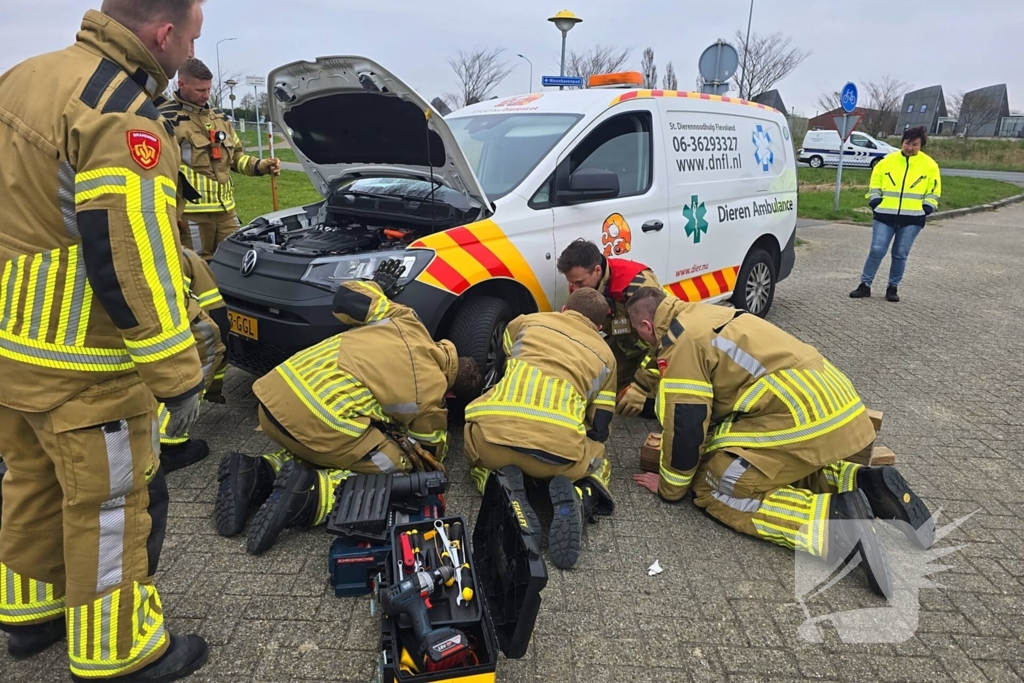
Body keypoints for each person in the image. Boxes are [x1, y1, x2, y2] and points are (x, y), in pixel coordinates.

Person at [0, 1, 211, 681]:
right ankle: (118, 648)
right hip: (84, 362)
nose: (188, 54)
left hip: (12, 344)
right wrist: (178, 374)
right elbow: (132, 257)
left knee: (30, 480)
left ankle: (31, 614)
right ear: (164, 33)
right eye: (192, 39)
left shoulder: (22, 78)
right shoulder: (121, 113)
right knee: (110, 502)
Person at [626, 287, 935, 596]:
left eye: (642, 337)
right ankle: (865, 483)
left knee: (719, 480)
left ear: (645, 327)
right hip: (835, 404)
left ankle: (834, 521)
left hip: (800, 414)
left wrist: (671, 487)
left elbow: (687, 425)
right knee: (767, 462)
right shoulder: (704, 314)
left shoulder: (681, 345)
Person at [215, 261, 481, 554]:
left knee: (341, 441)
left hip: (272, 400)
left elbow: (349, 296)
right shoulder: (431, 390)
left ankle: (255, 472)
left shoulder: (404, 318)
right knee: (398, 469)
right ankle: (310, 495)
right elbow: (430, 455)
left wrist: (379, 284)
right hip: (319, 419)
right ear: (452, 391)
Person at [463, 287, 617, 570]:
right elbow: (601, 427)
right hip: (557, 462)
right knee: (597, 454)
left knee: (474, 431)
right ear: (598, 327)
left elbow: (500, 366)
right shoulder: (607, 356)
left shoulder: (527, 321)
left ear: (564, 309)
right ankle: (585, 496)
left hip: (495, 444)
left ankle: (499, 487)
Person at [158, 57, 280, 259]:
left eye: (208, 89)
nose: (206, 95)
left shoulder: (221, 119)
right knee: (195, 270)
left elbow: (236, 158)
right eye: (200, 90)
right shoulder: (165, 118)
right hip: (190, 215)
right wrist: (168, 212)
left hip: (226, 213)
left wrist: (261, 166)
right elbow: (158, 171)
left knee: (233, 264)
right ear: (181, 84)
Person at [556, 239, 663, 418]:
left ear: (597, 270)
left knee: (649, 401)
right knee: (608, 393)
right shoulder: (580, 284)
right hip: (625, 345)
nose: (574, 289)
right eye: (571, 283)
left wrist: (641, 386)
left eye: (579, 283)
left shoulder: (637, 285)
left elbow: (663, 337)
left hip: (655, 348)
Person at [156, 247, 228, 473]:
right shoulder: (186, 258)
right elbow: (216, 319)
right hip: (166, 320)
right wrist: (214, 386)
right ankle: (169, 442)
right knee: (207, 343)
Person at [850, 126, 941, 303]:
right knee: (877, 250)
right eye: (907, 143)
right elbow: (875, 182)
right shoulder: (886, 162)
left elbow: (934, 189)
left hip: (913, 218)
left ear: (921, 145)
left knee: (900, 253)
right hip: (885, 215)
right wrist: (875, 201)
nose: (910, 147)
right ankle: (865, 285)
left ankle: (893, 287)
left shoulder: (930, 165)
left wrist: (928, 207)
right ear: (902, 143)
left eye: (915, 144)